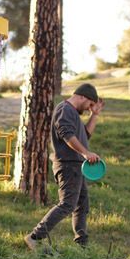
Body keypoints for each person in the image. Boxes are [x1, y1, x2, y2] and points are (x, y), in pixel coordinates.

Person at [24, 83, 104, 249]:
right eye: (90, 104)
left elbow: (84, 135)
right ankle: (34, 237)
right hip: (68, 166)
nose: (90, 108)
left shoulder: (73, 113)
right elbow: (66, 135)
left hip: (77, 166)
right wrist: (85, 153)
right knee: (67, 204)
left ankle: (81, 245)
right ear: (82, 96)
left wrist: (94, 115)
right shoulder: (65, 110)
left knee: (82, 205)